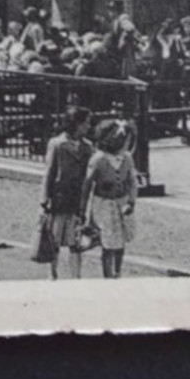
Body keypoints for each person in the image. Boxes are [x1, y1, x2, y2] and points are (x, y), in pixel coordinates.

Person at [40, 107, 94, 280]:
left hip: (77, 199)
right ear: (76, 124)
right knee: (54, 239)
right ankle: (52, 274)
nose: (88, 126)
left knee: (75, 242)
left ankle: (76, 276)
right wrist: (44, 200)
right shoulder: (57, 144)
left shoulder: (87, 147)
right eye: (86, 122)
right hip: (59, 198)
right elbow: (49, 173)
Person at [82, 119, 138, 279]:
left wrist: (131, 201)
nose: (128, 145)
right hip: (104, 205)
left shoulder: (127, 158)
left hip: (122, 203)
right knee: (108, 242)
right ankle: (107, 274)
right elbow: (87, 185)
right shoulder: (99, 159)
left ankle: (117, 271)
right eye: (126, 141)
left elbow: (132, 181)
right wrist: (84, 210)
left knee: (120, 240)